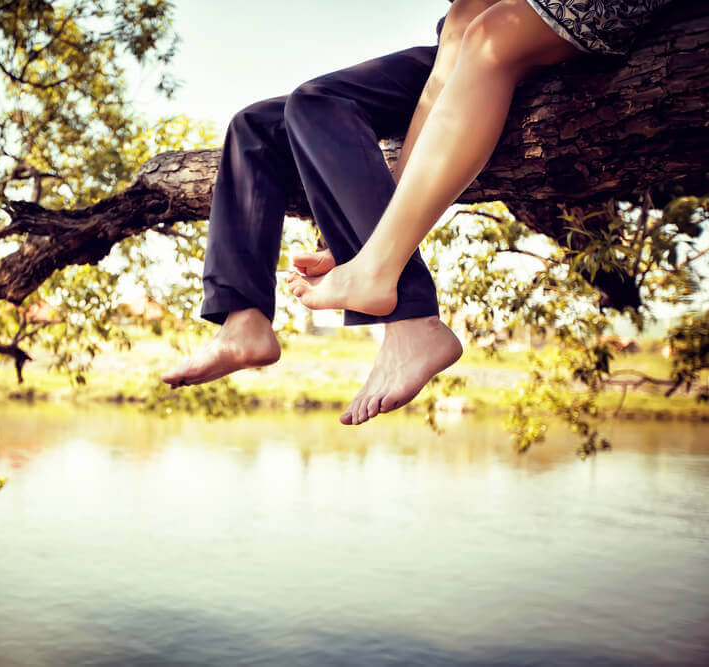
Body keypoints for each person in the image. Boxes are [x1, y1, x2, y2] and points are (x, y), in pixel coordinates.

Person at [162, 0, 674, 425]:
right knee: (277, 118)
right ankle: (243, 322)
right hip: (477, 35)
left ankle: (412, 321)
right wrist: (360, 244)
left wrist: (377, 256)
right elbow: (441, 77)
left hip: (540, 26)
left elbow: (478, 40)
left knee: (485, 35)